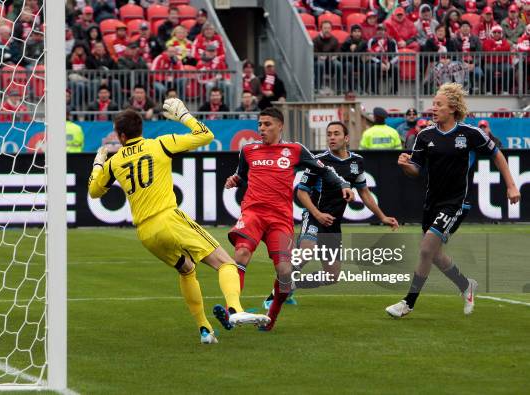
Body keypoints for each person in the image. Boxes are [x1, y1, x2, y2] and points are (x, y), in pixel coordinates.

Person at [88, 100, 270, 344]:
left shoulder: (115, 162)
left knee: (187, 270)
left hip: (146, 233)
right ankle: (236, 310)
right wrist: (184, 115)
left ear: (120, 135)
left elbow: (94, 191)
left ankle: (205, 329)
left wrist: (98, 163)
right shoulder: (160, 144)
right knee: (226, 263)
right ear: (141, 129)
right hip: (169, 218)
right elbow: (206, 135)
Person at [386, 82, 521, 318]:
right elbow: (416, 171)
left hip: (457, 202)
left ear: (452, 108)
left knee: (426, 248)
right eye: (433, 103)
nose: (433, 108)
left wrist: (511, 185)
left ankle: (408, 303)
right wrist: (405, 165)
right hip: (432, 203)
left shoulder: (470, 134)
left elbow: (497, 155)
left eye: (438, 104)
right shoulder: (424, 135)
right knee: (434, 254)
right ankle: (465, 285)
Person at [221, 107, 354, 331]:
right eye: (260, 124)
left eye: (267, 124)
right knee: (241, 253)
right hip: (253, 213)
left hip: (280, 219)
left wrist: (343, 184)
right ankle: (231, 312)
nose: (261, 129)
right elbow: (241, 174)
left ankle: (271, 316)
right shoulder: (248, 150)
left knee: (284, 271)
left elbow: (323, 170)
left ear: (280, 125)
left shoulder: (294, 150)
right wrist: (234, 179)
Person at [264, 121, 398, 302]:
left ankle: (293, 285)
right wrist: (317, 214)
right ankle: (273, 297)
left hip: (333, 224)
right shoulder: (319, 162)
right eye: (329, 134)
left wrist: (382, 216)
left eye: (336, 134)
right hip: (314, 216)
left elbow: (364, 192)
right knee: (305, 252)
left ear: (346, 138)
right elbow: (301, 192)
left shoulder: (356, 162)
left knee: (332, 276)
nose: (332, 137)